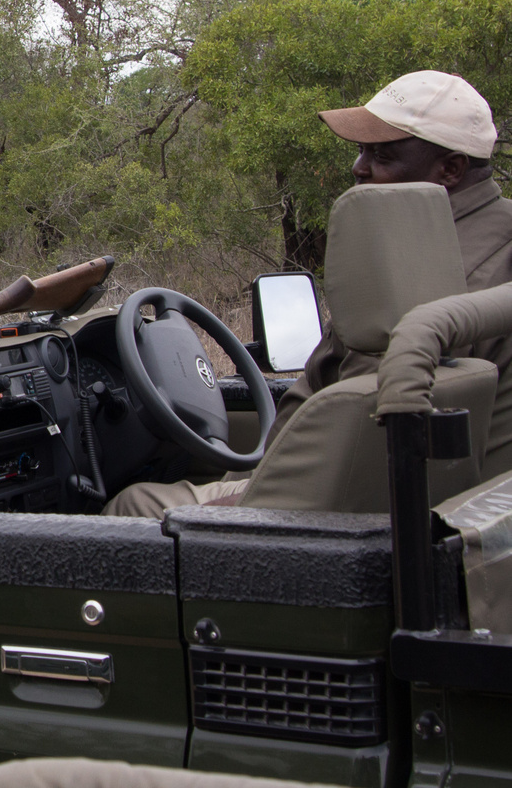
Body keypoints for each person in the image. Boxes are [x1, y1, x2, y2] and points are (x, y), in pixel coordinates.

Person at [105, 69, 511, 517]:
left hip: (345, 516)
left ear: (449, 169)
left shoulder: (416, 281)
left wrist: (248, 499)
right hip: (466, 509)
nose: (359, 168)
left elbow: (352, 442)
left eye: (382, 154)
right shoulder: (484, 239)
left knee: (132, 503)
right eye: (361, 151)